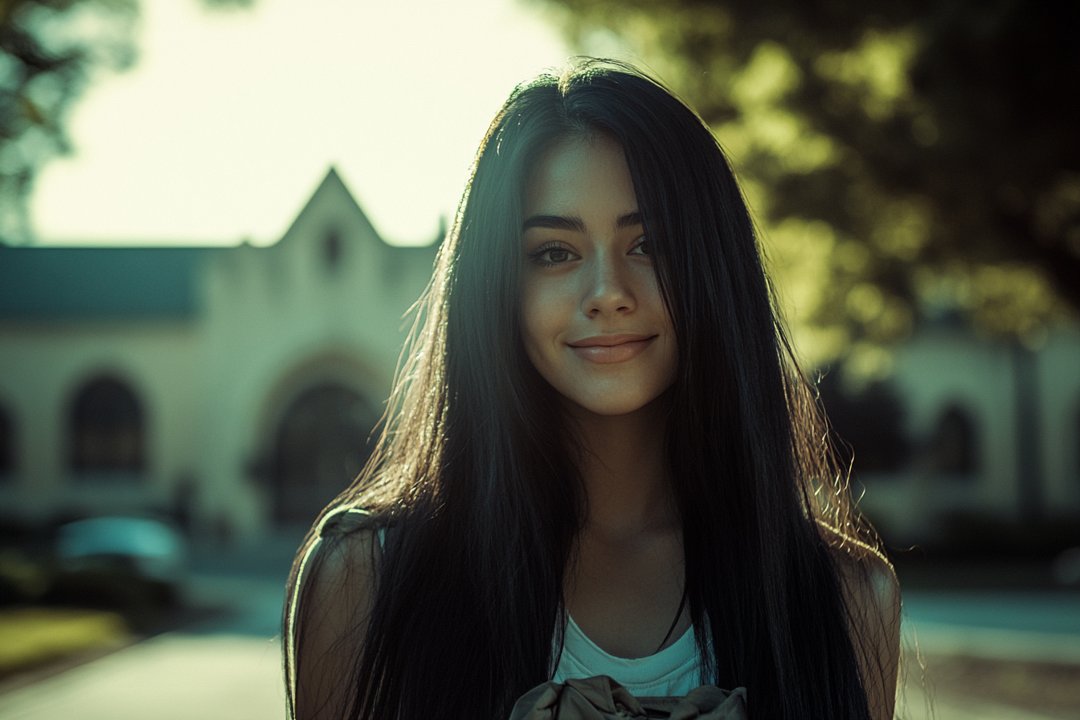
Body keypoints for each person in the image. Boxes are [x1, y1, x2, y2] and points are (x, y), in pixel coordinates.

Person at [284, 58, 901, 720]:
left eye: (650, 244)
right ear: (496, 286)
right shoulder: (365, 582)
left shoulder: (848, 598)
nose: (608, 293)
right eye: (555, 252)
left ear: (715, 267)